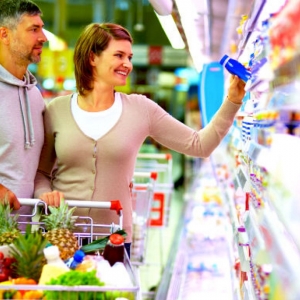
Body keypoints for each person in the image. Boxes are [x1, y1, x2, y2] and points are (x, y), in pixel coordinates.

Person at [34, 23, 246, 255]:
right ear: (92, 58)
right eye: (119, 55)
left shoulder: (140, 109)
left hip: (112, 239)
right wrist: (44, 193)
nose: (128, 64)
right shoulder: (56, 110)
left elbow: (199, 145)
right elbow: (41, 173)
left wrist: (232, 101)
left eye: (130, 57)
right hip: (59, 236)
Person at [0, 0, 47, 211]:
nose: (43, 38)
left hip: (22, 232)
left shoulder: (35, 95)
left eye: (42, 29)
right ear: (4, 35)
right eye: (33, 29)